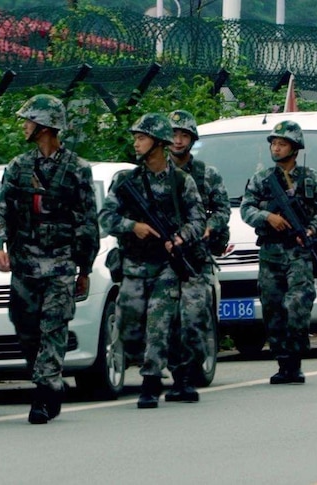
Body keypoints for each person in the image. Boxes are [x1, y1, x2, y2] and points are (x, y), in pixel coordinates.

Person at [0, 94, 99, 424]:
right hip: (25, 265)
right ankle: (49, 380)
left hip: (61, 264)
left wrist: (85, 267)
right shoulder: (18, 167)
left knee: (53, 326)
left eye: (29, 120)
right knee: (26, 328)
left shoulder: (76, 170)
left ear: (46, 126)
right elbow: (0, 211)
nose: (24, 125)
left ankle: (44, 392)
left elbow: (87, 221)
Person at [99, 112, 205, 409]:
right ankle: (175, 366)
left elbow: (198, 220)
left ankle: (151, 381)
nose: (136, 143)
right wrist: (134, 227)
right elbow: (106, 217)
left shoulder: (181, 182)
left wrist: (180, 238)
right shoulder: (125, 182)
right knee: (128, 326)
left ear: (158, 143)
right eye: (135, 137)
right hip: (133, 264)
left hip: (167, 266)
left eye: (141, 138)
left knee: (159, 323)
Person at [239, 120, 317, 384]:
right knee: (273, 308)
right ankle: (284, 363)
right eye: (274, 144)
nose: (276, 148)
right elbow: (247, 209)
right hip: (270, 254)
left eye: (282, 144)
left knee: (297, 303)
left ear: (294, 148)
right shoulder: (262, 179)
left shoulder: (310, 178)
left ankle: (296, 356)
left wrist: (311, 231)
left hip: (299, 252)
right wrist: (269, 217)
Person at [164, 109, 230, 402]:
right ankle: (174, 373)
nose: (178, 140)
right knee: (164, 321)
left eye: (183, 135)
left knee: (193, 318)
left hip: (196, 258)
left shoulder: (206, 174)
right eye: (173, 134)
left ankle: (188, 375)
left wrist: (208, 227)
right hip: (162, 257)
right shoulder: (153, 171)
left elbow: (222, 209)